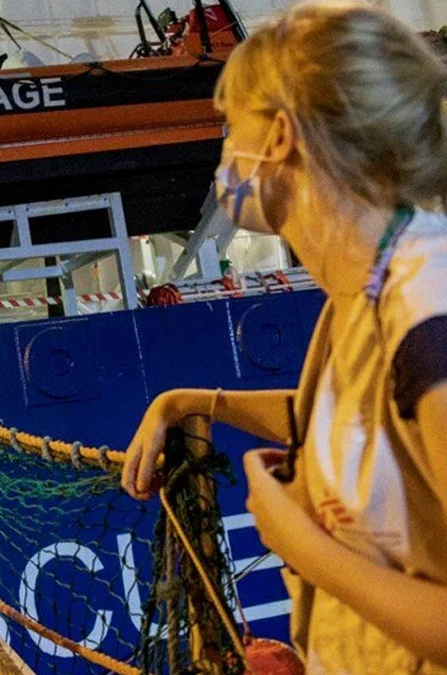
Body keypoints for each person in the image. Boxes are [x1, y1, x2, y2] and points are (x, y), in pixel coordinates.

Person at [120, 3, 447, 672]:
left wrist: (302, 544)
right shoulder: (361, 291)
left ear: (278, 137)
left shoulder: (425, 310)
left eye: (231, 129)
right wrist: (191, 403)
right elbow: (362, 417)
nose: (224, 156)